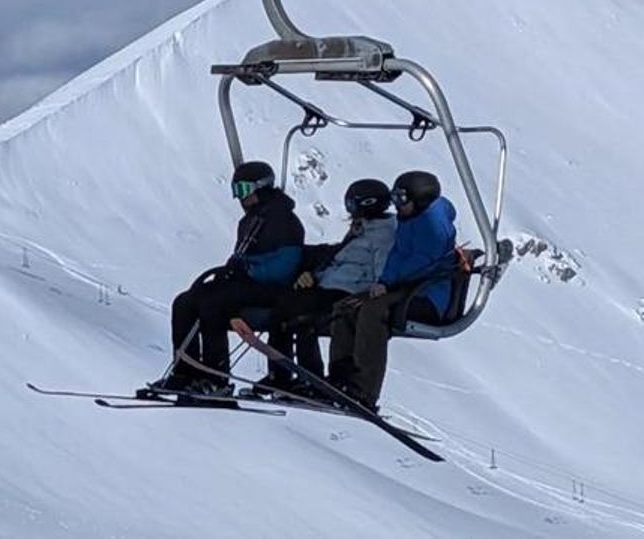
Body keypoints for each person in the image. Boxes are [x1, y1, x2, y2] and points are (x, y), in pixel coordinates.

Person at [151, 161, 304, 396]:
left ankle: (216, 377)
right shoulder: (250, 221)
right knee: (185, 302)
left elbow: (285, 266)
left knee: (214, 304)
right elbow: (242, 255)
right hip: (246, 284)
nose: (239, 198)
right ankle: (185, 372)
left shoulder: (283, 220)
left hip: (273, 289)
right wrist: (234, 268)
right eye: (236, 192)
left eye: (243, 190)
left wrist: (248, 271)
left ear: (261, 187)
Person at [252, 179, 397, 395]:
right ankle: (283, 375)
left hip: (349, 290)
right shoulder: (363, 228)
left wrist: (372, 290)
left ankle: (309, 378)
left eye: (352, 205)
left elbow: (380, 271)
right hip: (331, 284)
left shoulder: (384, 234)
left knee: (299, 315)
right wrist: (313, 275)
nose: (350, 212)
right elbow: (340, 259)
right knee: (285, 308)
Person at [328, 170, 458, 410]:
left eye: (402, 200)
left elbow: (422, 260)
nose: (397, 206)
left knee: (371, 311)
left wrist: (387, 283)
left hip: (427, 295)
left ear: (419, 200)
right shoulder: (409, 220)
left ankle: (364, 391)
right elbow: (397, 256)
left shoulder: (434, 223)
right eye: (395, 199)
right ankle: (338, 379)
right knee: (346, 306)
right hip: (404, 288)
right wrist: (384, 280)